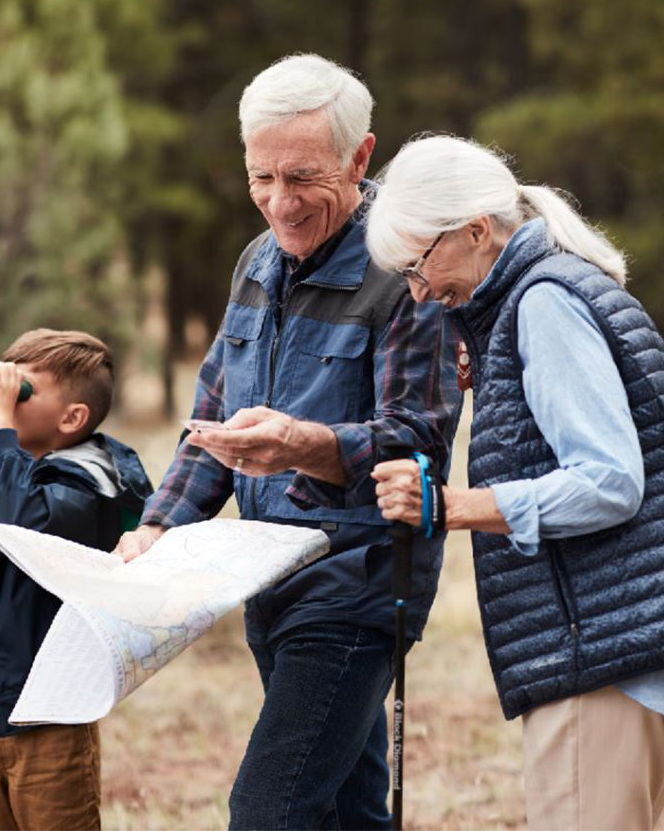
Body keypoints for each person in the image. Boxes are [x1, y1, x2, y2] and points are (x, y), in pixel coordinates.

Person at [116, 53, 461, 830]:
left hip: (356, 583)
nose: (279, 202)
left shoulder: (405, 269)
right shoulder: (256, 262)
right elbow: (211, 419)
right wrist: (157, 527)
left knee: (269, 810)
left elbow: (420, 440)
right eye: (260, 176)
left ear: (360, 156)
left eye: (302, 177)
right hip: (263, 583)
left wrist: (306, 445)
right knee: (346, 808)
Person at [366, 133, 664, 830]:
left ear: (476, 229)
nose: (418, 293)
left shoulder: (543, 304)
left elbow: (608, 482)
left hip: (598, 661)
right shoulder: (554, 291)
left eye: (417, 265)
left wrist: (451, 506)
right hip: (627, 647)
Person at [0, 328, 153, 831]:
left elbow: (24, 520)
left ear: (72, 418)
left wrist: (0, 424)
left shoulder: (88, 482)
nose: (2, 397)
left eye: (23, 390)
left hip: (50, 713)